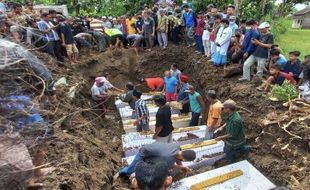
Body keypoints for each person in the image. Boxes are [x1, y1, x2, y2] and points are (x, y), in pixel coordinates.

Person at [118, 142, 196, 177]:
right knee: (130, 170)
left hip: (152, 150)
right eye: (184, 160)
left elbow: (177, 157)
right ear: (184, 158)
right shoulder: (168, 159)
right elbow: (172, 167)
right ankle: (120, 172)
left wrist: (183, 167)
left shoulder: (177, 146)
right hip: (143, 152)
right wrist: (182, 167)